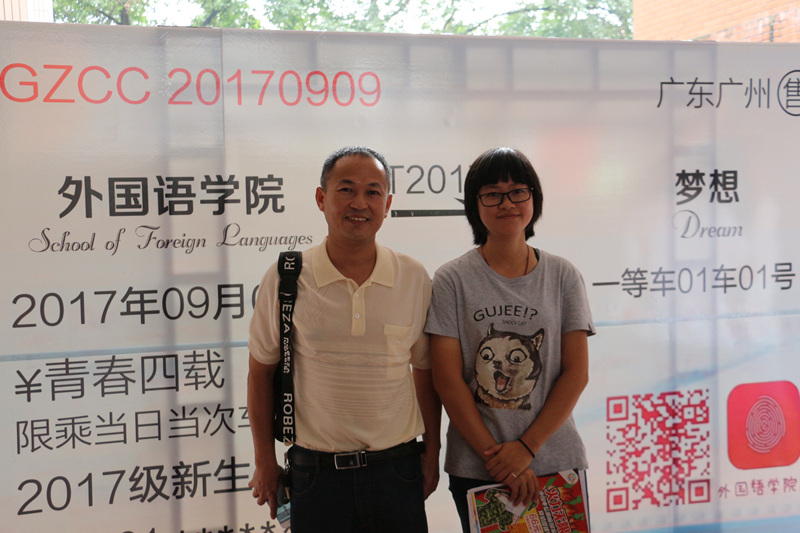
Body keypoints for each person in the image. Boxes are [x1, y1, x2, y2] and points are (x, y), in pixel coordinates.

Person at [247, 145, 441, 533]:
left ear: (387, 204)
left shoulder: (413, 276)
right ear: (321, 198)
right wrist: (265, 461)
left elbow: (424, 371)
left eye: (373, 192)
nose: (359, 203)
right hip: (316, 475)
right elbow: (260, 373)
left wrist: (432, 452)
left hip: (397, 470)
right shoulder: (288, 275)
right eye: (346, 189)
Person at [425, 147, 595, 533]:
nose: (507, 203)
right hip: (479, 467)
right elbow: (447, 380)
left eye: (518, 191)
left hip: (555, 462)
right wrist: (500, 460)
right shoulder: (452, 280)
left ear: (534, 198)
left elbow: (576, 373)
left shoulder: (563, 276)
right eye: (492, 194)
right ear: (475, 205)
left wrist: (526, 448)